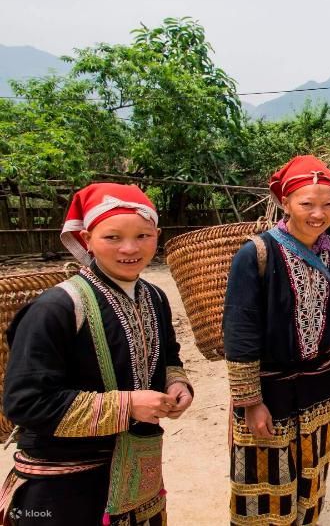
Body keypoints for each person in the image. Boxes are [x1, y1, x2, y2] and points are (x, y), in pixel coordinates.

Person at [1, 183, 193, 526]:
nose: (130, 248)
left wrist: (178, 385)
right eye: (112, 237)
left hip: (136, 472)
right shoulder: (57, 308)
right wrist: (129, 405)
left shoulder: (155, 297)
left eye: (143, 236)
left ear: (158, 235)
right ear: (87, 239)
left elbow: (169, 359)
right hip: (63, 484)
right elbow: (25, 403)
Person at [223, 155, 330, 526]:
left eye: (328, 204)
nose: (318, 214)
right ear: (285, 203)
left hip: (320, 386)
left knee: (312, 473)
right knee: (264, 481)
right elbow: (240, 333)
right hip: (268, 391)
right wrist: (251, 402)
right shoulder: (255, 254)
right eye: (307, 204)